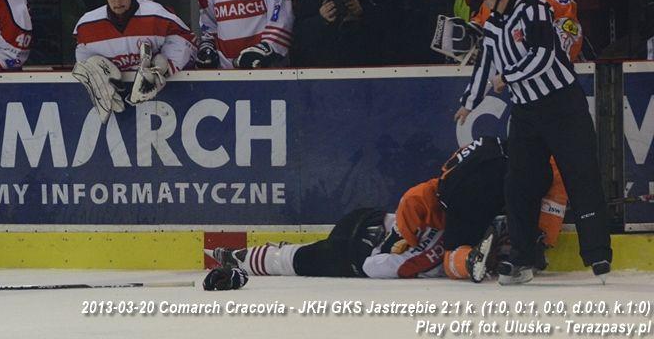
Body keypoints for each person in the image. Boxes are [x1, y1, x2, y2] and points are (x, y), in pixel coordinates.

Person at [204, 136, 564, 290]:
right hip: (363, 241)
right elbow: (380, 264)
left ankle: (241, 257)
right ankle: (240, 258)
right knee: (302, 259)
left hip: (367, 236)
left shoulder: (453, 211)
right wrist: (404, 240)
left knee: (302, 256)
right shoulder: (438, 233)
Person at [454, 0, 612, 285]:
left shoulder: (535, 8)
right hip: (525, 112)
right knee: (519, 184)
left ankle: (597, 252)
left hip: (562, 106)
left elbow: (543, 55)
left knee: (581, 175)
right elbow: (484, 65)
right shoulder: (493, 24)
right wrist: (469, 103)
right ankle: (522, 256)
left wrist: (508, 76)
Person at [72, 0, 197, 123]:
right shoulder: (88, 25)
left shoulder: (156, 14)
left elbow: (186, 39)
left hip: (162, 102)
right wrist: (94, 75)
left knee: (161, 61)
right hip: (118, 99)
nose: (117, 2)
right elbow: (83, 60)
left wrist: (164, 68)